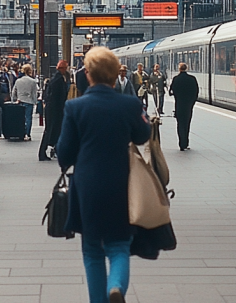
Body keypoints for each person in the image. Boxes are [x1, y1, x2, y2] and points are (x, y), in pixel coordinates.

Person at [56, 47, 151, 303]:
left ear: (88, 74)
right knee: (119, 246)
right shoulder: (130, 104)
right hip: (123, 182)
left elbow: (64, 153)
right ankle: (116, 287)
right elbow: (143, 135)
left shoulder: (75, 107)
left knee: (92, 251)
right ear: (114, 73)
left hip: (87, 184)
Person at [39, 60, 69, 161]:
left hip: (52, 108)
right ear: (62, 68)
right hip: (55, 109)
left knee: (51, 130)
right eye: (65, 68)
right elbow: (59, 97)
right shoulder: (59, 80)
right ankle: (43, 152)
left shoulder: (54, 79)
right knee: (50, 130)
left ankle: (48, 150)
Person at [169, 62, 199, 151]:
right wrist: (192, 103)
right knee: (187, 123)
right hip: (188, 105)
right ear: (186, 68)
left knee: (180, 124)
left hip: (179, 105)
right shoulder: (192, 79)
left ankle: (181, 144)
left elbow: (171, 91)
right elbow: (196, 92)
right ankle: (186, 142)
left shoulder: (176, 79)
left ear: (179, 69)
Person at [11, 64, 38, 141]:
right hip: (29, 101)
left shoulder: (18, 81)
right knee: (28, 118)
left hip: (20, 101)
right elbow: (34, 93)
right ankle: (28, 134)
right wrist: (35, 101)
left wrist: (14, 100)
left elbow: (14, 92)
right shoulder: (33, 81)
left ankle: (20, 132)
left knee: (20, 118)